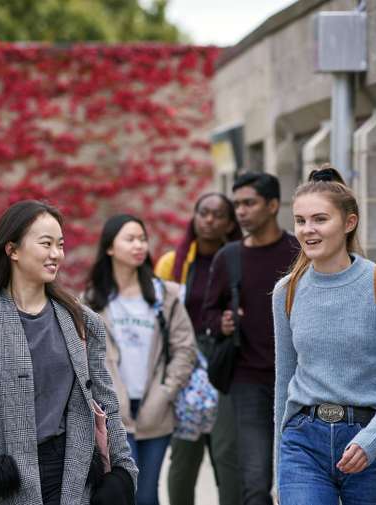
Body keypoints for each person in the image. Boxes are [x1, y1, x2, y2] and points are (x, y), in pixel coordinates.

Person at [0, 200, 137, 505]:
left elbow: (104, 400)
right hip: (3, 474)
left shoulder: (82, 322)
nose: (56, 253)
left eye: (60, 244)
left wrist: (123, 470)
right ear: (12, 250)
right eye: (46, 244)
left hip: (70, 469)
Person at [273, 167, 376, 504]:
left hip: (373, 443)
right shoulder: (286, 292)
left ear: (349, 223)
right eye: (300, 220)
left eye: (320, 219)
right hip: (303, 441)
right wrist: (279, 466)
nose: (308, 230)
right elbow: (284, 380)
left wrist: (372, 439)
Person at [84, 214, 197, 505]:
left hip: (156, 410)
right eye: (130, 239)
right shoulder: (91, 300)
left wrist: (166, 392)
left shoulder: (165, 295)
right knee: (123, 494)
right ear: (109, 247)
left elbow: (185, 349)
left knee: (147, 494)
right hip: (113, 413)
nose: (139, 245)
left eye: (142, 239)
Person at [202, 172, 300, 505]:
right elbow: (209, 314)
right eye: (238, 204)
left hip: (299, 381)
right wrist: (223, 323)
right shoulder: (228, 257)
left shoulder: (298, 252)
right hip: (248, 380)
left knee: (298, 477)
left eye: (249, 203)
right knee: (255, 482)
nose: (241, 211)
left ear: (273, 205)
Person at [155, 193, 243, 505]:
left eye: (218, 215)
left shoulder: (238, 260)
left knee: (226, 452)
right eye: (203, 213)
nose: (209, 220)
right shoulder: (172, 264)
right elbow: (160, 318)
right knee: (184, 455)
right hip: (186, 363)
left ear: (230, 223)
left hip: (226, 364)